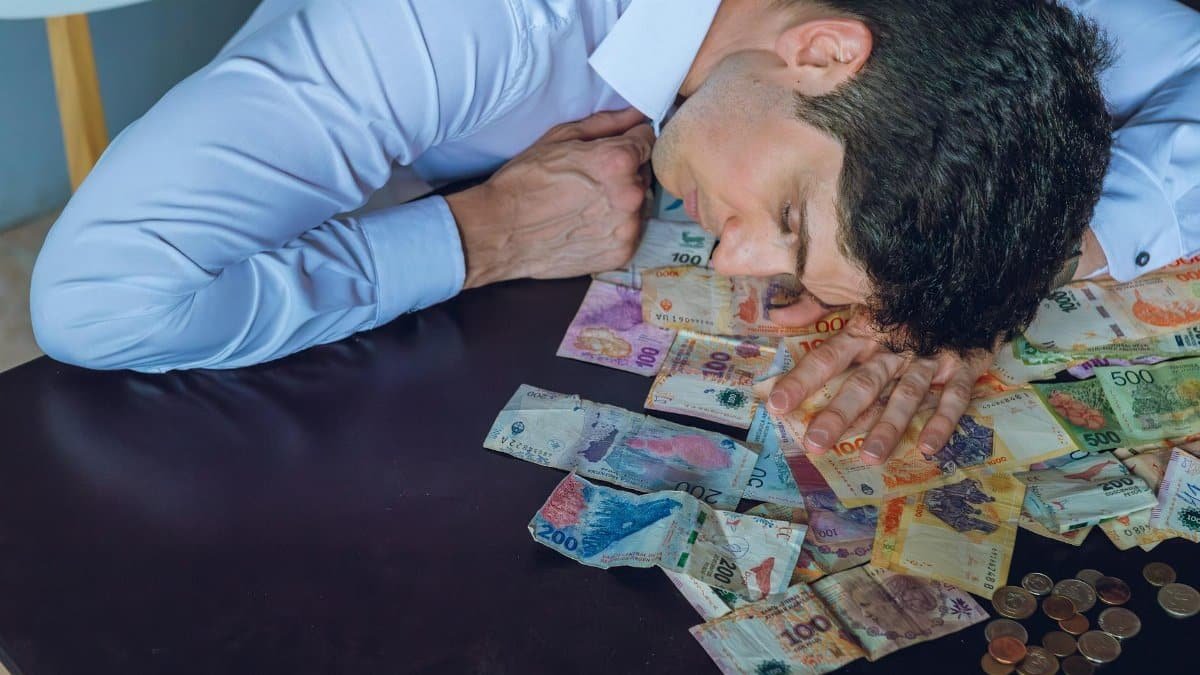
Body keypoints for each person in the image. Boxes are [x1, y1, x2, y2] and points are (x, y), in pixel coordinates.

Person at [29, 0, 1200, 463]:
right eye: (785, 220)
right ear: (826, 49)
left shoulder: (1007, 17)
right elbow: (100, 299)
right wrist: (487, 234)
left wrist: (980, 264)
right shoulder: (445, 25)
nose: (739, 266)